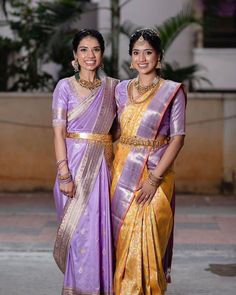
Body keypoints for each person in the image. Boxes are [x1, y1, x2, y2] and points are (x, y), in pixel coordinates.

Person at [110, 28, 186, 294]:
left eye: (148, 52)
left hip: (157, 173)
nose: (142, 58)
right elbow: (115, 131)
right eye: (136, 53)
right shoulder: (120, 90)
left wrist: (154, 180)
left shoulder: (171, 92)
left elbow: (177, 138)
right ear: (131, 58)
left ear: (159, 57)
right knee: (123, 238)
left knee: (151, 236)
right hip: (122, 174)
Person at [52, 29, 118, 295]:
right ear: (75, 56)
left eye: (96, 50)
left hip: (104, 169)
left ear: (102, 56)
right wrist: (64, 174)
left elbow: (122, 131)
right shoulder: (64, 87)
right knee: (79, 234)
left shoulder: (114, 88)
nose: (90, 55)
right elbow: (58, 131)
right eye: (83, 50)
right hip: (73, 170)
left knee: (102, 233)